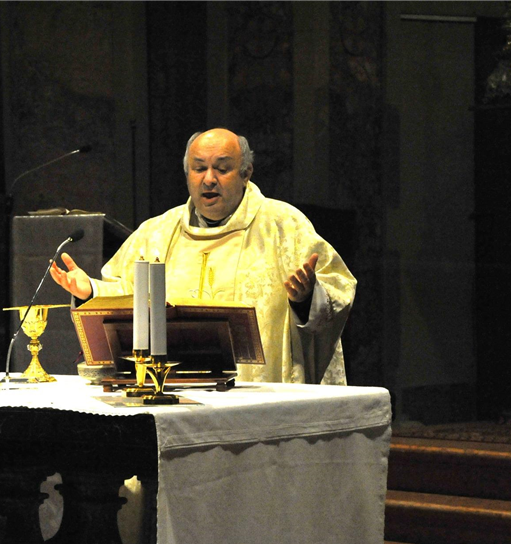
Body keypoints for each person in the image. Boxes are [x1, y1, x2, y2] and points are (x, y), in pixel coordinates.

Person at [50, 128, 356, 384]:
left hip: (258, 397)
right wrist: (91, 291)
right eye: (199, 168)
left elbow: (338, 289)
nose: (209, 179)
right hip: (175, 392)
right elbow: (128, 294)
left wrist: (306, 298)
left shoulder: (283, 225)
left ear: (246, 173)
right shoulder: (156, 232)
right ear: (187, 175)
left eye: (222, 169)